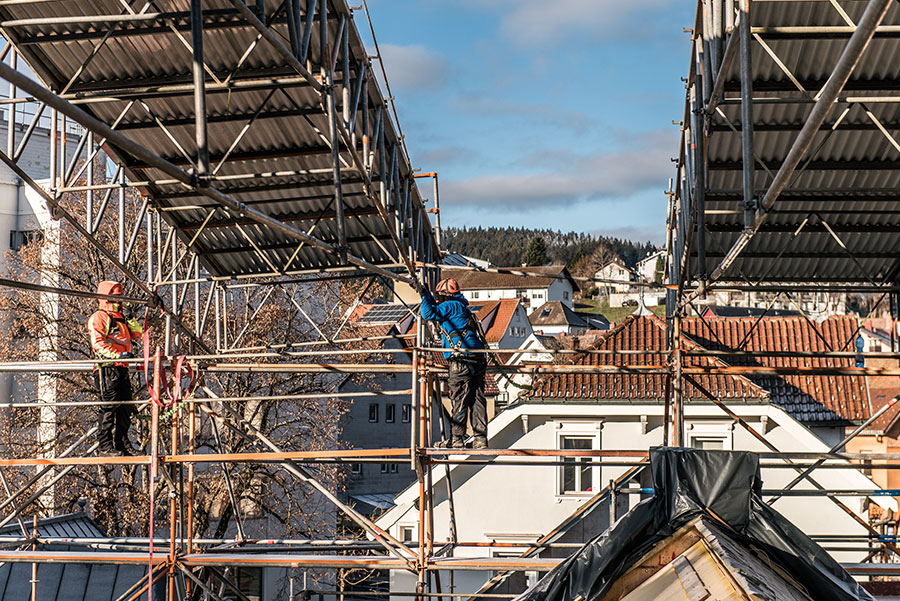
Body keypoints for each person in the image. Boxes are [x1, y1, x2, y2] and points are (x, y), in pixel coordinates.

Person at [420, 278, 488, 449]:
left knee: (460, 398)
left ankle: (457, 439)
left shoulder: (450, 306)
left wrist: (424, 295)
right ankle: (480, 439)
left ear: (445, 295)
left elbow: (428, 313)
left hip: (461, 359)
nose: (438, 300)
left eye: (439, 297)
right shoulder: (464, 308)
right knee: (477, 398)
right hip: (477, 357)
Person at [87, 281, 142, 456]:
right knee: (108, 407)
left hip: (121, 367)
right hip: (107, 368)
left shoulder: (121, 318)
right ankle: (104, 446)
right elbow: (98, 343)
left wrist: (131, 319)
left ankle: (122, 444)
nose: (120, 302)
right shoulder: (100, 317)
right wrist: (117, 355)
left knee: (125, 408)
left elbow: (138, 335)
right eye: (117, 298)